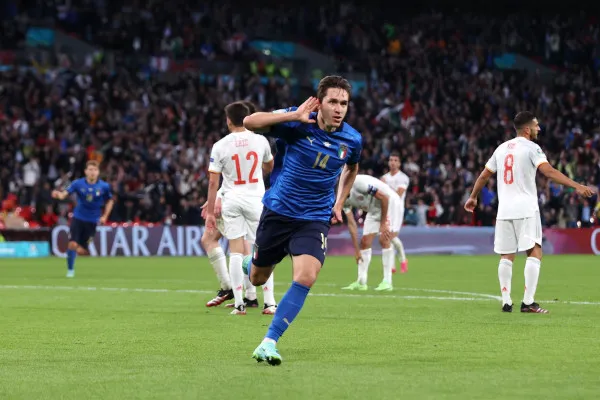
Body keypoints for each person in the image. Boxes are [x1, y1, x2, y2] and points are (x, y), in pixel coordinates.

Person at [241, 75, 362, 365]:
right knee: (258, 277)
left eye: (343, 103)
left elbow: (352, 168)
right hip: (279, 212)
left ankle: (269, 341)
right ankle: (253, 261)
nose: (339, 108)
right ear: (319, 102)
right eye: (333, 101)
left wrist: (340, 201)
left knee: (306, 276)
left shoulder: (352, 139)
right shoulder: (297, 122)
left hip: (314, 217)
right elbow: (249, 122)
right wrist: (292, 115)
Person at [465, 111, 596, 313]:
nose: (539, 129)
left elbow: (484, 176)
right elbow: (549, 172)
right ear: (527, 129)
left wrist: (473, 196)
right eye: (536, 126)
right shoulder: (532, 148)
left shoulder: (500, 149)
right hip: (526, 208)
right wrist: (576, 185)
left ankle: (506, 301)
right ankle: (528, 302)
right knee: (535, 251)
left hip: (504, 210)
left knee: (506, 256)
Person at [202, 102, 276, 313]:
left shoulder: (220, 145)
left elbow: (213, 183)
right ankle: (269, 302)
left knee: (235, 251)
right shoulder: (260, 140)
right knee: (262, 250)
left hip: (232, 200)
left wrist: (209, 212)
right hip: (256, 199)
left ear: (228, 120)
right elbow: (270, 167)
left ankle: (240, 303)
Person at [51, 160, 113, 278]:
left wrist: (105, 216)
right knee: (72, 244)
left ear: (98, 172)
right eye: (90, 170)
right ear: (85, 171)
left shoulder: (104, 186)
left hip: (93, 222)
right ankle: (70, 270)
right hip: (78, 218)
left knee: (83, 251)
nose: (92, 172)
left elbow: (110, 200)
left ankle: (78, 252)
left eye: (95, 170)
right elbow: (64, 194)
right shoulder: (77, 184)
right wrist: (58, 194)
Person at [341, 174, 398, 291]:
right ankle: (362, 282)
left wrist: (383, 224)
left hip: (389, 202)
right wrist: (356, 251)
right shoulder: (341, 200)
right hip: (373, 209)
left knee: (384, 239)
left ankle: (387, 282)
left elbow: (384, 197)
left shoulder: (358, 184)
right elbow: (352, 224)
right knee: (365, 242)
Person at [380, 152, 410, 273]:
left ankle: (402, 260)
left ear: (399, 163)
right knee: (387, 236)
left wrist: (385, 188)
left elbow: (398, 194)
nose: (393, 162)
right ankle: (393, 266)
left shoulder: (403, 178)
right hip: (386, 209)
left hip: (397, 209)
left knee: (392, 236)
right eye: (391, 160)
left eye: (395, 160)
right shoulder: (384, 177)